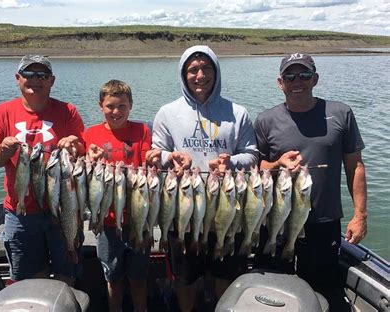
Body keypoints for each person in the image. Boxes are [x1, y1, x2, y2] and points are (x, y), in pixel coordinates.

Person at [146, 45, 258, 311]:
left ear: (216, 72)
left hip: (227, 203)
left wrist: (231, 162)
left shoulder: (238, 113)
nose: (200, 75)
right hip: (182, 204)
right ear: (183, 75)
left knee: (224, 274)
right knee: (186, 277)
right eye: (192, 69)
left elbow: (252, 155)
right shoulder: (167, 112)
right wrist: (171, 158)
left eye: (206, 68)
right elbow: (155, 152)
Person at [254, 52, 367, 311]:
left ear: (315, 79)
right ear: (279, 82)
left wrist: (360, 215)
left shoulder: (341, 113)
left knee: (322, 292)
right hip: (277, 220)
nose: (297, 81)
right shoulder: (265, 120)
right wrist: (277, 163)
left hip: (324, 222)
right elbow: (258, 168)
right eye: (290, 76)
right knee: (272, 292)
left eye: (304, 74)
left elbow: (355, 166)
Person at [0, 55, 86, 286]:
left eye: (42, 75)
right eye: (29, 74)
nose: (35, 80)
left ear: (52, 80)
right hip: (21, 214)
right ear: (18, 78)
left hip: (63, 207)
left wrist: (74, 144)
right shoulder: (2, 112)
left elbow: (83, 151)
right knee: (28, 278)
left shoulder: (68, 111)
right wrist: (3, 149)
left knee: (66, 273)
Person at [83, 79, 152, 312]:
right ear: (100, 106)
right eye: (110, 106)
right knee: (113, 278)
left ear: (131, 106)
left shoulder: (142, 131)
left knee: (138, 277)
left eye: (122, 106)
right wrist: (89, 160)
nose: (116, 112)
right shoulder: (89, 134)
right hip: (107, 222)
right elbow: (82, 175)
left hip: (138, 219)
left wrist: (154, 159)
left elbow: (146, 162)